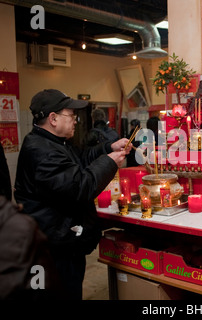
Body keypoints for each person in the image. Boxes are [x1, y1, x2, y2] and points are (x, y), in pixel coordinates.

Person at [14, 89, 132, 300]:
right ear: (53, 118)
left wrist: (108, 147)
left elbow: (81, 160)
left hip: (62, 240)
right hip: (51, 248)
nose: (76, 121)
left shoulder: (54, 143)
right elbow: (79, 186)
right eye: (71, 115)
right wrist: (110, 162)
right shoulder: (42, 151)